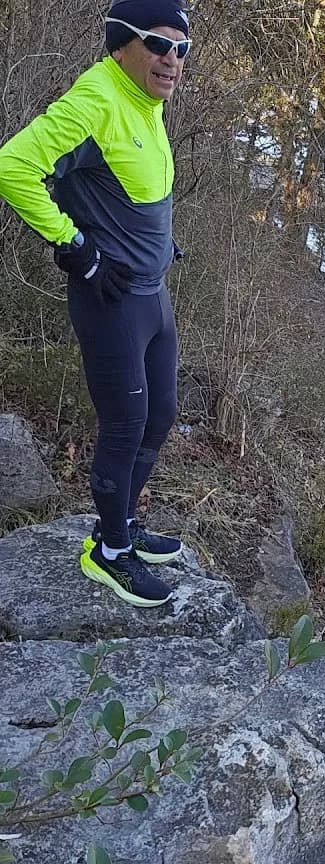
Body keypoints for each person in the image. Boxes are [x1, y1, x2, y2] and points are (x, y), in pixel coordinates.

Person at [0, 0, 191, 608]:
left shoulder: (145, 102)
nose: (172, 59)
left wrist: (160, 243)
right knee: (125, 425)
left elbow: (134, 188)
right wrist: (75, 248)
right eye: (160, 44)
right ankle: (108, 553)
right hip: (110, 302)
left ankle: (126, 525)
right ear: (123, 42)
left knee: (161, 415)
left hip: (152, 296)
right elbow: (13, 166)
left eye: (182, 49)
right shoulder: (95, 99)